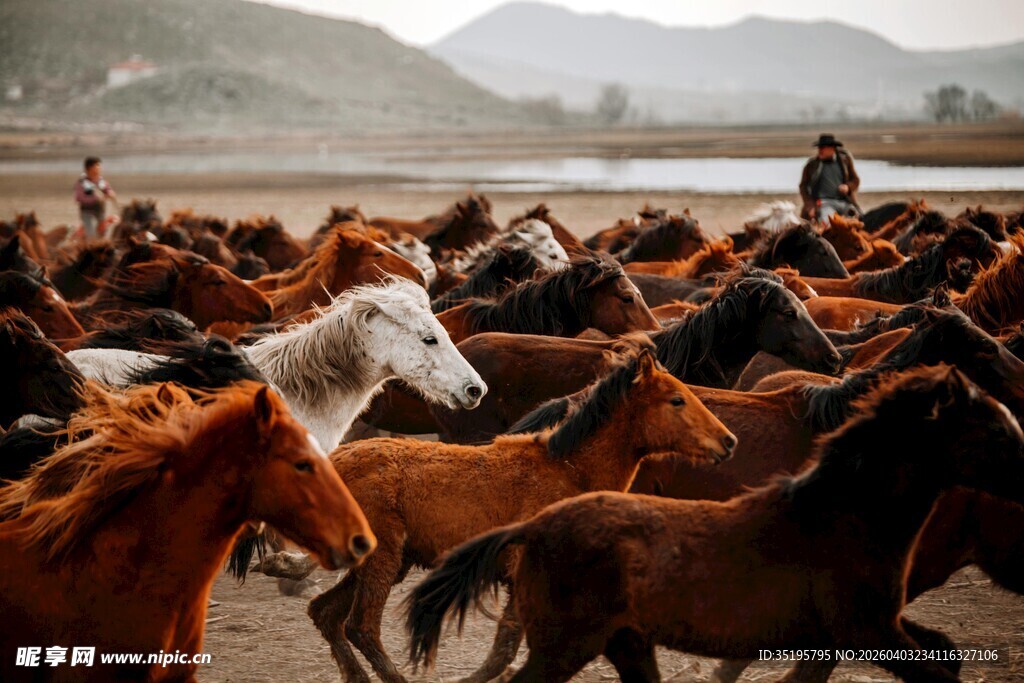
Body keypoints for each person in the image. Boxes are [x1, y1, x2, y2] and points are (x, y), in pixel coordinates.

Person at [799, 133, 860, 222]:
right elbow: (803, 186)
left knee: (860, 220)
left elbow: (855, 180)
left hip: (845, 202)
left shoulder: (845, 161)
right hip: (824, 203)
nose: (819, 150)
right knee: (828, 223)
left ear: (832, 148)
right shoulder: (811, 165)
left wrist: (848, 187)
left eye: (822, 147)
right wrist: (809, 205)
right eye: (819, 148)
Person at [74, 156, 116, 239]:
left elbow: (108, 190)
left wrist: (110, 193)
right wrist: (95, 199)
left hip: (100, 212)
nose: (99, 168)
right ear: (89, 168)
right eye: (97, 165)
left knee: (104, 233)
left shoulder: (101, 181)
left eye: (99, 165)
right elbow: (78, 198)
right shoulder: (82, 183)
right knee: (91, 233)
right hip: (87, 212)